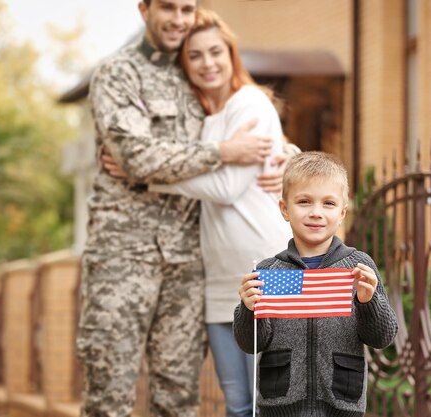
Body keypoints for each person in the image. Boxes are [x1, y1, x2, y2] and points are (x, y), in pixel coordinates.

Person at [76, 1, 289, 417]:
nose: (177, 18)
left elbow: (246, 132)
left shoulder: (195, 76)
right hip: (123, 255)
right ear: (144, 9)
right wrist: (222, 152)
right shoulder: (118, 74)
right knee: (110, 391)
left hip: (188, 263)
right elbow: (136, 156)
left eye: (186, 8)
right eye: (167, 7)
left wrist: (286, 156)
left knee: (178, 396)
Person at [234, 151, 399, 417]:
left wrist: (369, 302)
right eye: (304, 201)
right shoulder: (270, 271)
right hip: (280, 404)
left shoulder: (357, 267)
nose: (316, 212)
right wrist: (248, 308)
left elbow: (383, 337)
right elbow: (249, 343)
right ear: (285, 209)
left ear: (342, 212)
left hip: (341, 402)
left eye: (328, 203)